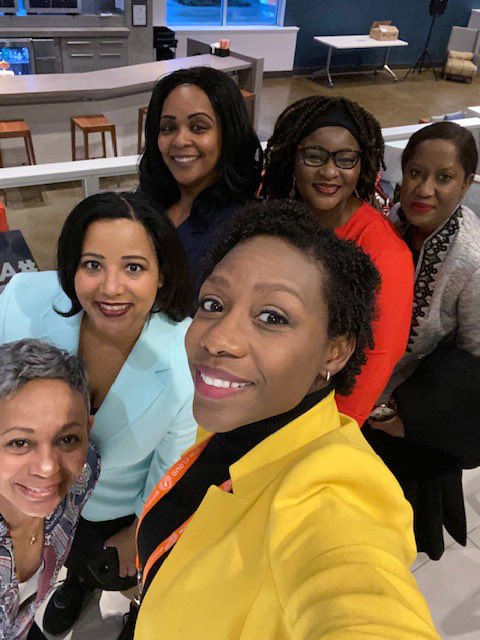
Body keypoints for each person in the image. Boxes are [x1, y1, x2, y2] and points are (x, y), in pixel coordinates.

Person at [134, 199, 439, 640]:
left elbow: (359, 596)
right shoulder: (244, 415)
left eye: (271, 317)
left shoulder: (333, 494)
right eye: (213, 303)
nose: (218, 339)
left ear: (335, 351)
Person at [0, 192, 197, 634]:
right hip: (22, 502)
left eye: (134, 267)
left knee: (103, 565)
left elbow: (171, 467)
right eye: (92, 265)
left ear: (162, 275)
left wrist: (137, 531)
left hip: (110, 509)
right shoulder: (21, 302)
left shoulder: (184, 359)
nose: (110, 288)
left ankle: (87, 585)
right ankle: (72, 583)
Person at [261, 95, 414, 427]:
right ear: (292, 158)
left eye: (345, 159)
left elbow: (373, 363)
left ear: (362, 166)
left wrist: (319, 434)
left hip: (315, 418)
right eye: (314, 156)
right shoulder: (273, 219)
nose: (329, 172)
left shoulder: (384, 253)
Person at [366, 121, 480, 560]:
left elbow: (474, 361)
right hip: (365, 399)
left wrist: (409, 416)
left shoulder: (470, 260)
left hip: (412, 421)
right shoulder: (392, 221)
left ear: (466, 183)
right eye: (415, 172)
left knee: (390, 527)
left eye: (443, 178)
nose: (424, 189)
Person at [0, 338, 100, 640]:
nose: (47, 467)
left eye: (67, 439)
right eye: (19, 442)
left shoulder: (84, 474)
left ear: (87, 431)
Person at [138, 66, 263, 292]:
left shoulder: (243, 229)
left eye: (198, 127)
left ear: (229, 133)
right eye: (168, 128)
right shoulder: (148, 198)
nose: (180, 140)